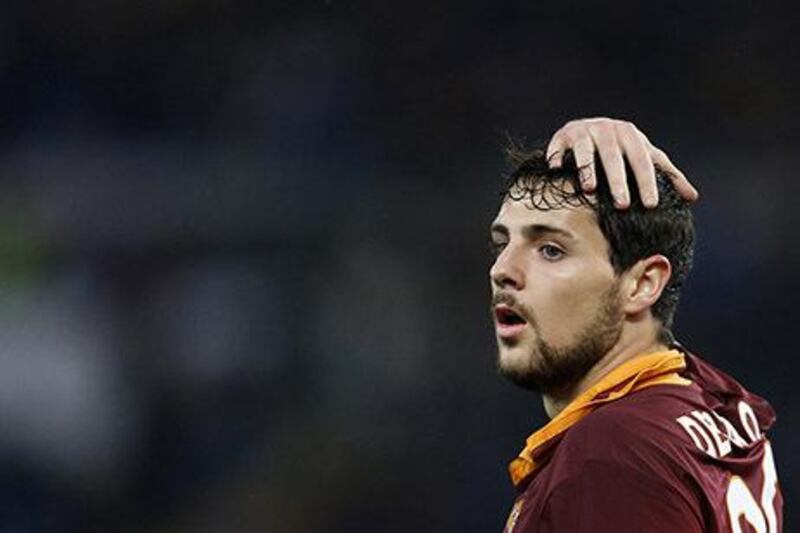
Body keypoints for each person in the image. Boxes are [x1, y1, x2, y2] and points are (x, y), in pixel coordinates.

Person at [490, 118, 782, 532]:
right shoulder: (714, 409)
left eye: (551, 250)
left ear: (643, 284)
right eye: (502, 244)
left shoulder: (610, 455)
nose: (503, 270)